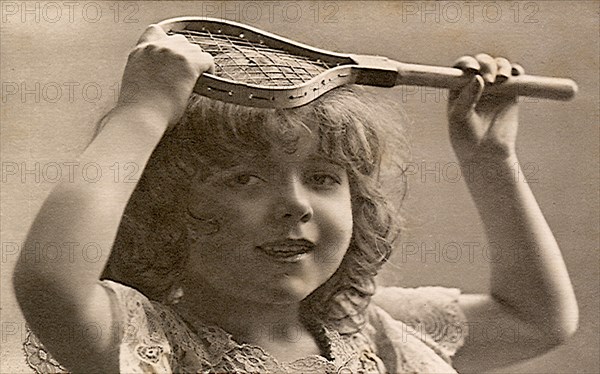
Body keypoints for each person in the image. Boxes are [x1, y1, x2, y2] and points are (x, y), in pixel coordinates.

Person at [13, 24, 578, 373]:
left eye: (325, 178)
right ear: (162, 210)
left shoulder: (378, 332)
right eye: (243, 180)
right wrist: (141, 112)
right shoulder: (150, 342)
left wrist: (490, 161)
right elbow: (51, 281)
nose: (296, 205)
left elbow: (537, 319)